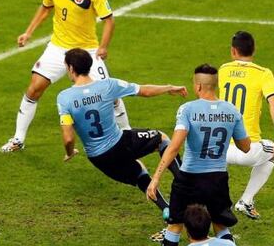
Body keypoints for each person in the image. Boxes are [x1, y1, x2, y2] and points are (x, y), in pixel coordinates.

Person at [0, 0, 130, 153]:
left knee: (111, 95)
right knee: (34, 88)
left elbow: (109, 20)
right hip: (58, 48)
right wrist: (28, 32)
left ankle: (127, 132)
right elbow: (45, 8)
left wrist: (103, 47)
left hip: (88, 51)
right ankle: (18, 139)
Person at [143, 64, 251, 246]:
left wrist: (155, 178)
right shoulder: (231, 110)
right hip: (217, 178)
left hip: (190, 178)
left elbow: (173, 147)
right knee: (221, 225)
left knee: (174, 226)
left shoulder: (188, 109)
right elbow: (245, 146)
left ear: (199, 85)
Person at [58, 49, 186, 231]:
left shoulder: (64, 98)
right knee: (161, 139)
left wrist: (70, 152)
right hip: (120, 143)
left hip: (98, 158)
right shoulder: (107, 86)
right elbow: (145, 91)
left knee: (138, 172)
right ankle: (186, 184)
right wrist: (168, 87)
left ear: (71, 68)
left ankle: (167, 210)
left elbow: (69, 137)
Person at [219, 31, 274, 219]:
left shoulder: (223, 70)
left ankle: (218, 204)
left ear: (233, 51)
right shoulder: (264, 74)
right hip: (247, 148)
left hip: (221, 147)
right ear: (254, 49)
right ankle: (246, 201)